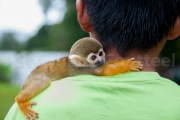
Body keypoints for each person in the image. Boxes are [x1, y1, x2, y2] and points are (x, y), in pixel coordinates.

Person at [5, 0, 180, 120]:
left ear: (82, 12)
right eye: (94, 58)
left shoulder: (33, 110)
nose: (100, 59)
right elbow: (105, 69)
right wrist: (126, 64)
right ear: (176, 24)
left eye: (100, 56)